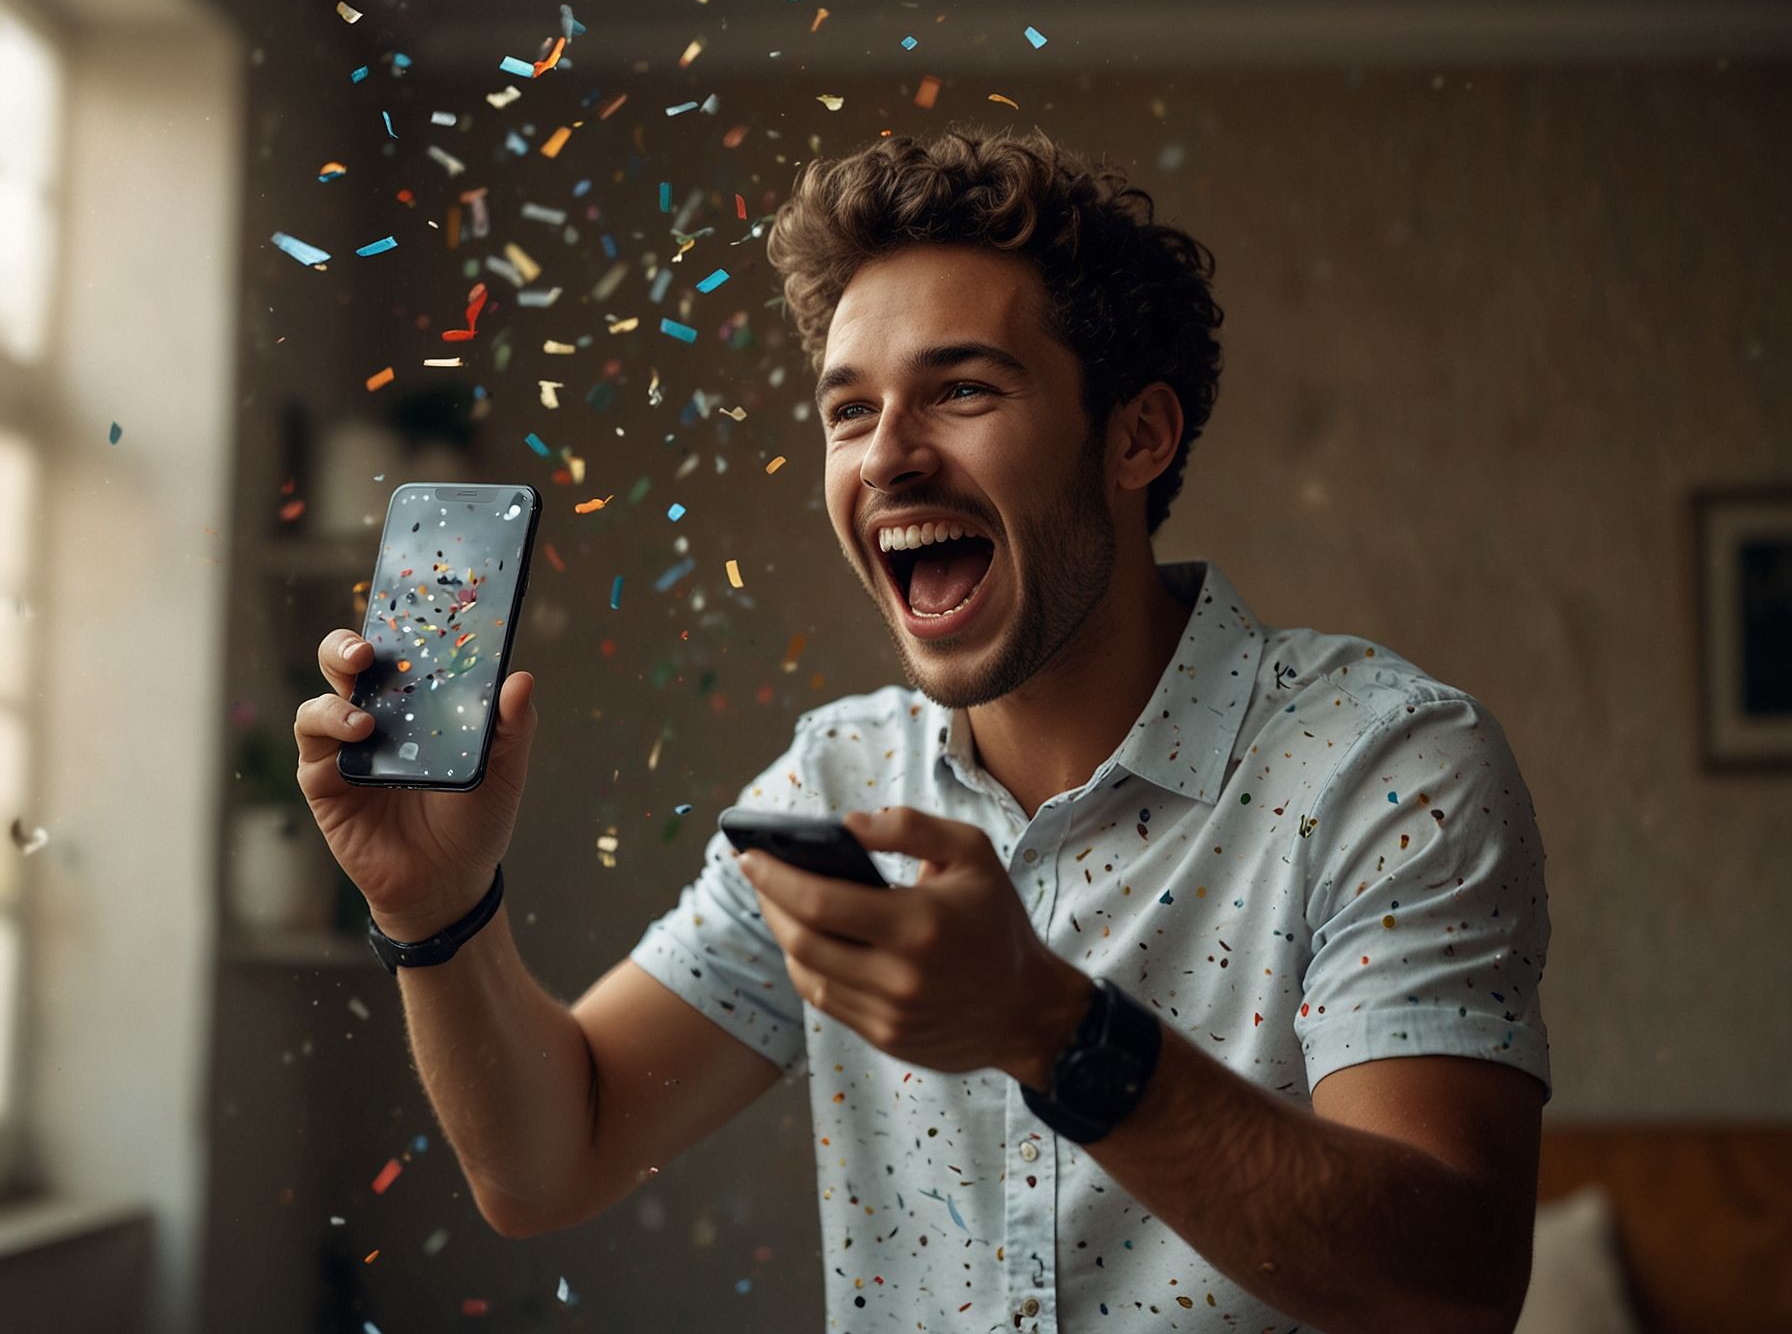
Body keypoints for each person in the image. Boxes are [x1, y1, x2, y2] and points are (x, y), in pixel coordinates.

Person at [296, 128, 1550, 1334]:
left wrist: (1050, 1028)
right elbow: (550, 1158)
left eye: (961, 390)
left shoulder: (1383, 769)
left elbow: (1451, 1290)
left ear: (1137, 434)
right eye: (849, 411)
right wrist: (435, 909)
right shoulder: (837, 782)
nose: (887, 458)